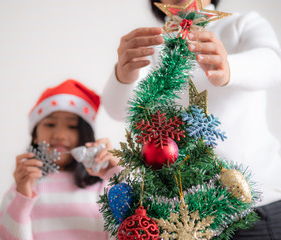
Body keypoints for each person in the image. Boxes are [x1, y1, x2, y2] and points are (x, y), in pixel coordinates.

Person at [102, 0, 281, 239]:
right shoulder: (153, 43)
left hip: (255, 202)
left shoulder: (241, 24)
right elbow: (118, 109)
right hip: (183, 213)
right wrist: (123, 74)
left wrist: (230, 68)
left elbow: (272, 64)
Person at [0, 79, 120, 240]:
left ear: (86, 134)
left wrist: (117, 176)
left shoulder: (104, 186)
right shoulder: (21, 189)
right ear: (34, 135)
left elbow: (134, 228)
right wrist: (22, 197)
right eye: (50, 124)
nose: (60, 135)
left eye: (72, 126)